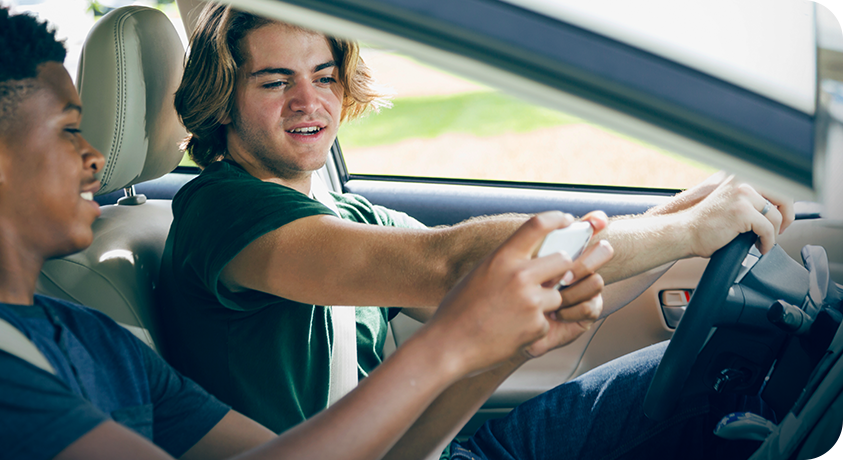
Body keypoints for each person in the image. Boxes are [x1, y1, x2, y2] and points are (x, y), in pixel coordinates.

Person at [0, 5, 683, 460]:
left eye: (324, 76)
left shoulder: (93, 338)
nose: (96, 153)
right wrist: (450, 342)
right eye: (69, 130)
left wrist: (494, 352)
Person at [166, 1, 793, 439]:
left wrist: (690, 207)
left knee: (730, 367)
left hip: (437, 448)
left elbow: (550, 283)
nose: (310, 100)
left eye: (324, 77)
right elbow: (456, 266)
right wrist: (689, 229)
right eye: (275, 83)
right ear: (222, 101)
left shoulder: (345, 213)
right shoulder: (223, 210)